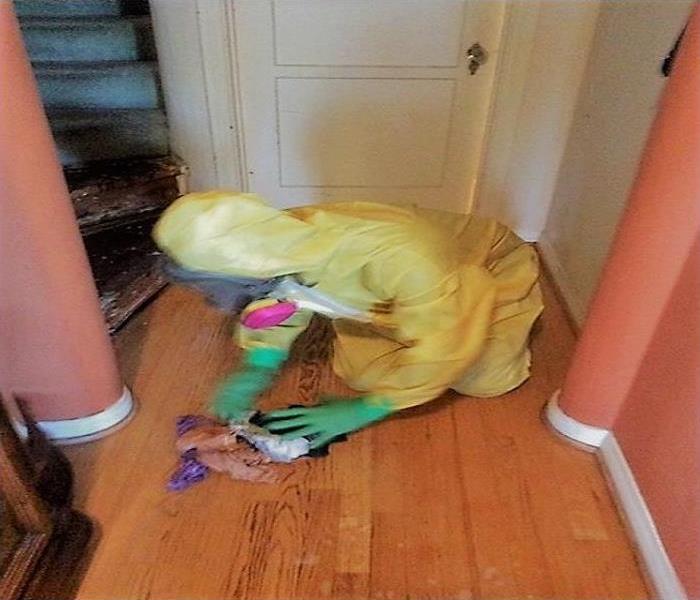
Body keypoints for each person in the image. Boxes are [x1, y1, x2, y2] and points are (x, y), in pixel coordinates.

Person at [153, 191, 543, 449]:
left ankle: (502, 318)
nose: (212, 301)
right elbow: (279, 297)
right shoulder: (269, 245)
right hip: (391, 299)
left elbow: (446, 343)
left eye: (211, 289)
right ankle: (409, 331)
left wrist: (368, 409)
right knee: (363, 375)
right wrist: (259, 362)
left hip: (479, 271)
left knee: (486, 378)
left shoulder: (402, 259)